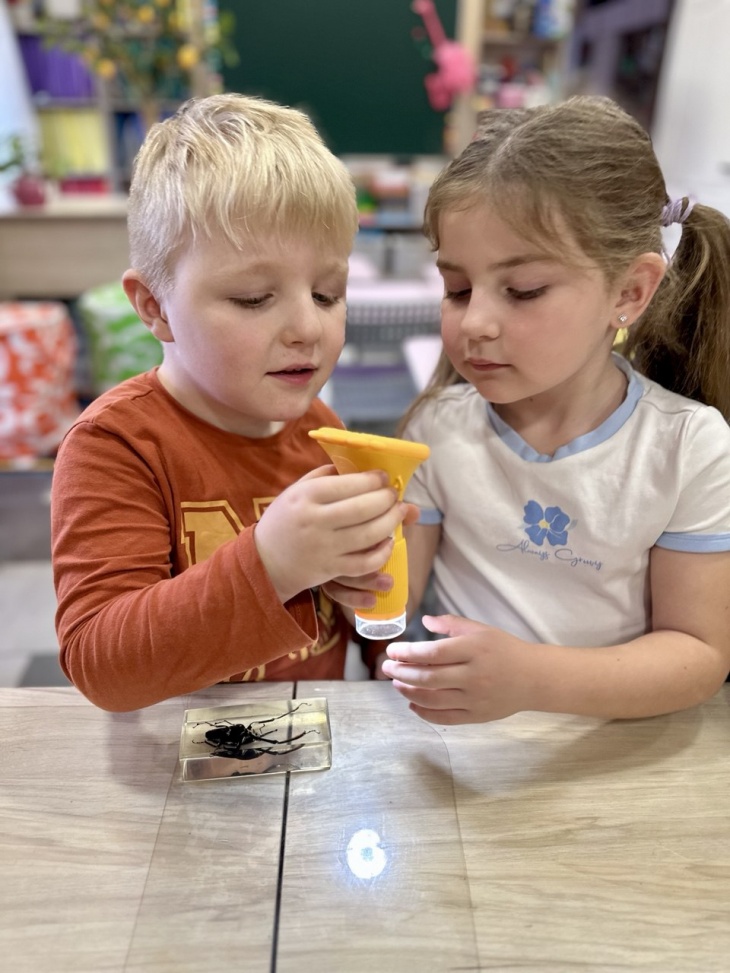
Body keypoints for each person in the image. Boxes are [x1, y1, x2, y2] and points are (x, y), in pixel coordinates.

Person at [357, 95, 730, 724]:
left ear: (630, 290)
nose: (474, 322)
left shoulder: (691, 448)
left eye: (523, 290)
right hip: (460, 744)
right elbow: (391, 608)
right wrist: (354, 573)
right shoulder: (436, 429)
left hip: (610, 748)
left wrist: (532, 681)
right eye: (457, 289)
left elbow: (697, 653)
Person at [51, 93, 407, 712]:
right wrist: (273, 565)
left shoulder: (322, 430)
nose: (308, 327)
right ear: (155, 307)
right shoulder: (116, 446)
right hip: (169, 753)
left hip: (303, 742)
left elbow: (360, 628)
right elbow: (102, 666)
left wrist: (376, 614)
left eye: (327, 294)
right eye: (253, 298)